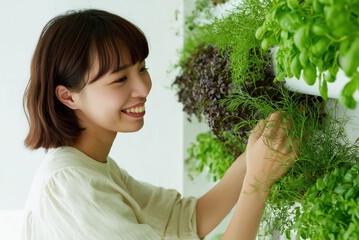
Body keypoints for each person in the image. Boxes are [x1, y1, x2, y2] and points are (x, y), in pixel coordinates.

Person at [22, 9, 297, 240]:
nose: (142, 88)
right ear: (68, 96)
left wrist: (255, 155)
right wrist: (258, 183)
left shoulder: (93, 168)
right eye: (120, 79)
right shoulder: (71, 186)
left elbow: (184, 220)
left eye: (142, 69)